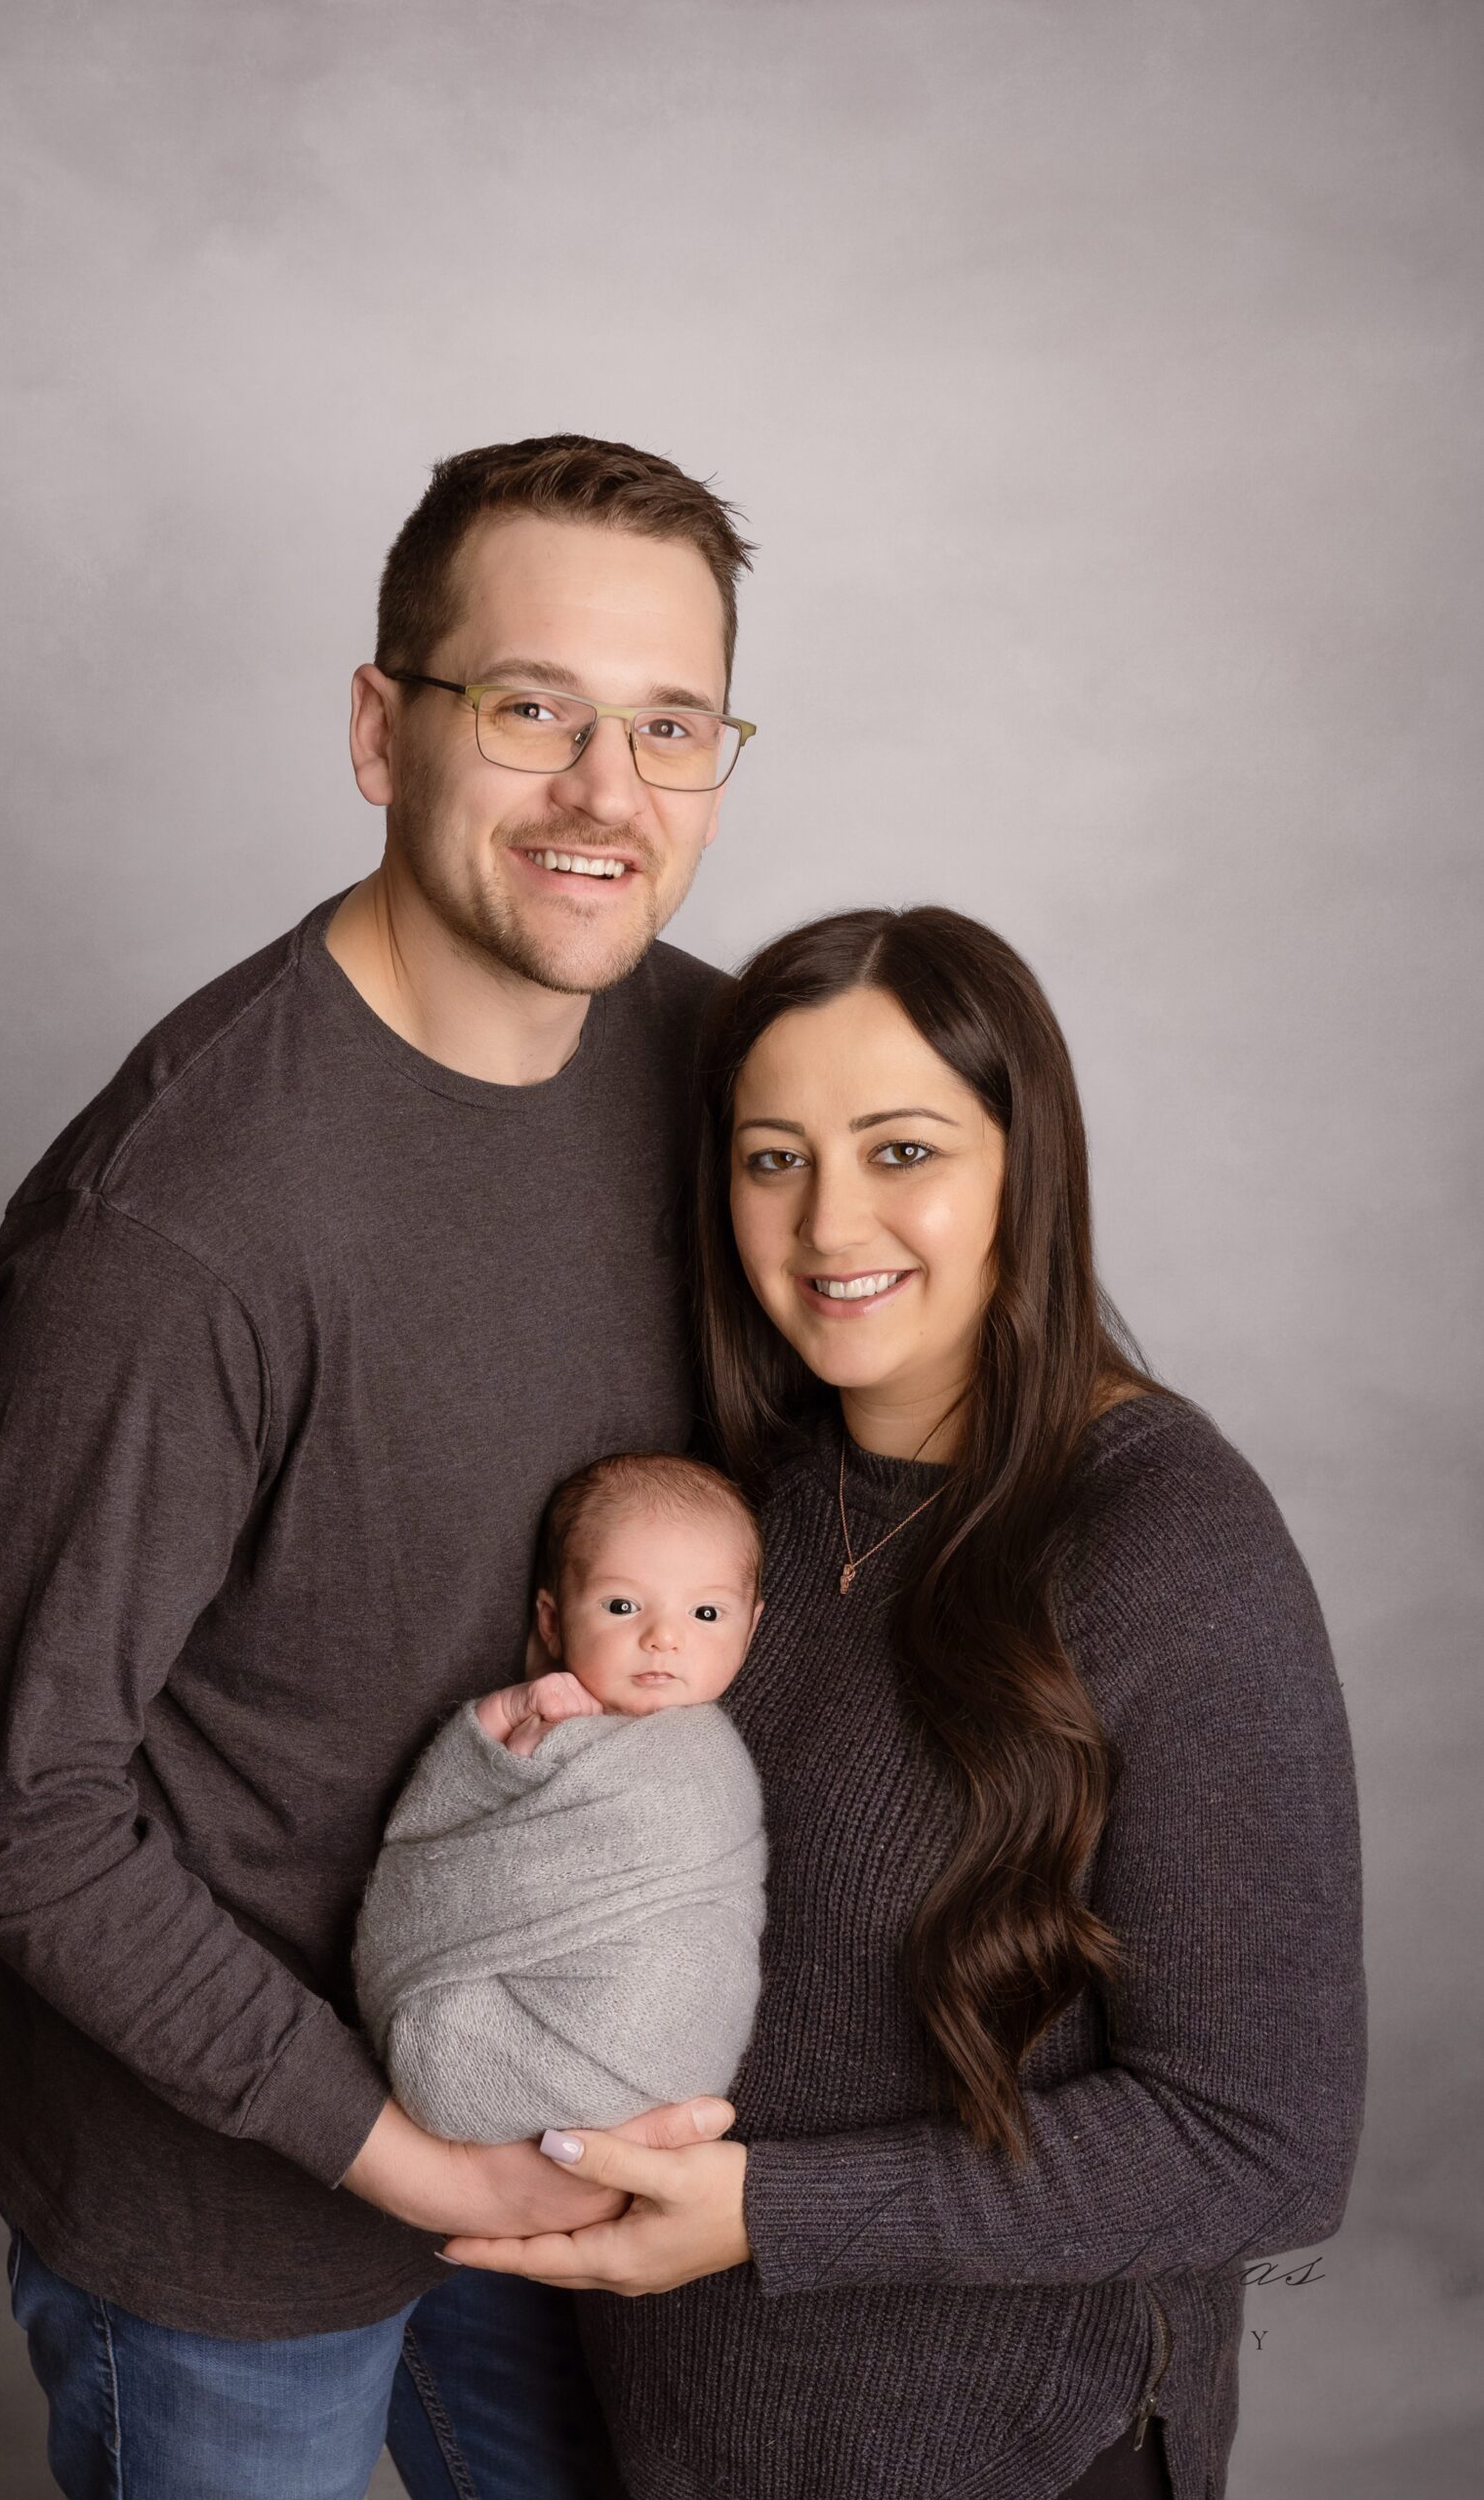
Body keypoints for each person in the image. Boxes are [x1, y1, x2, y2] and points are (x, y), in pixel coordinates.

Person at [0, 434, 758, 2500]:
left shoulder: (722, 1074)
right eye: (530, 707)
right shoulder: (187, 1221)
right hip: (226, 2204)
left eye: (669, 725)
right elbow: (2, 1801)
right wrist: (394, 2143)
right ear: (383, 728)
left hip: (564, 2132)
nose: (603, 796)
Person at [440, 905, 1368, 2500]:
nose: (825, 1224)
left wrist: (774, 2216)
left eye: (901, 1150)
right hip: (680, 2434)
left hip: (1011, 2456)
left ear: (1026, 1166)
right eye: (773, 1158)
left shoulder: (1162, 1543)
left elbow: (1258, 2145)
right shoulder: (732, 1508)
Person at [355, 1451, 767, 2146]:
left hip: (663, 2045)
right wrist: (499, 1741)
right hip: (513, 2035)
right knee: (444, 2050)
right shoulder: (542, 1723)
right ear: (552, 1622)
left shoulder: (708, 1763)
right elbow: (441, 1819)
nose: (663, 1637)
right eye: (621, 1606)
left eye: (705, 1612)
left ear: (750, 1629)